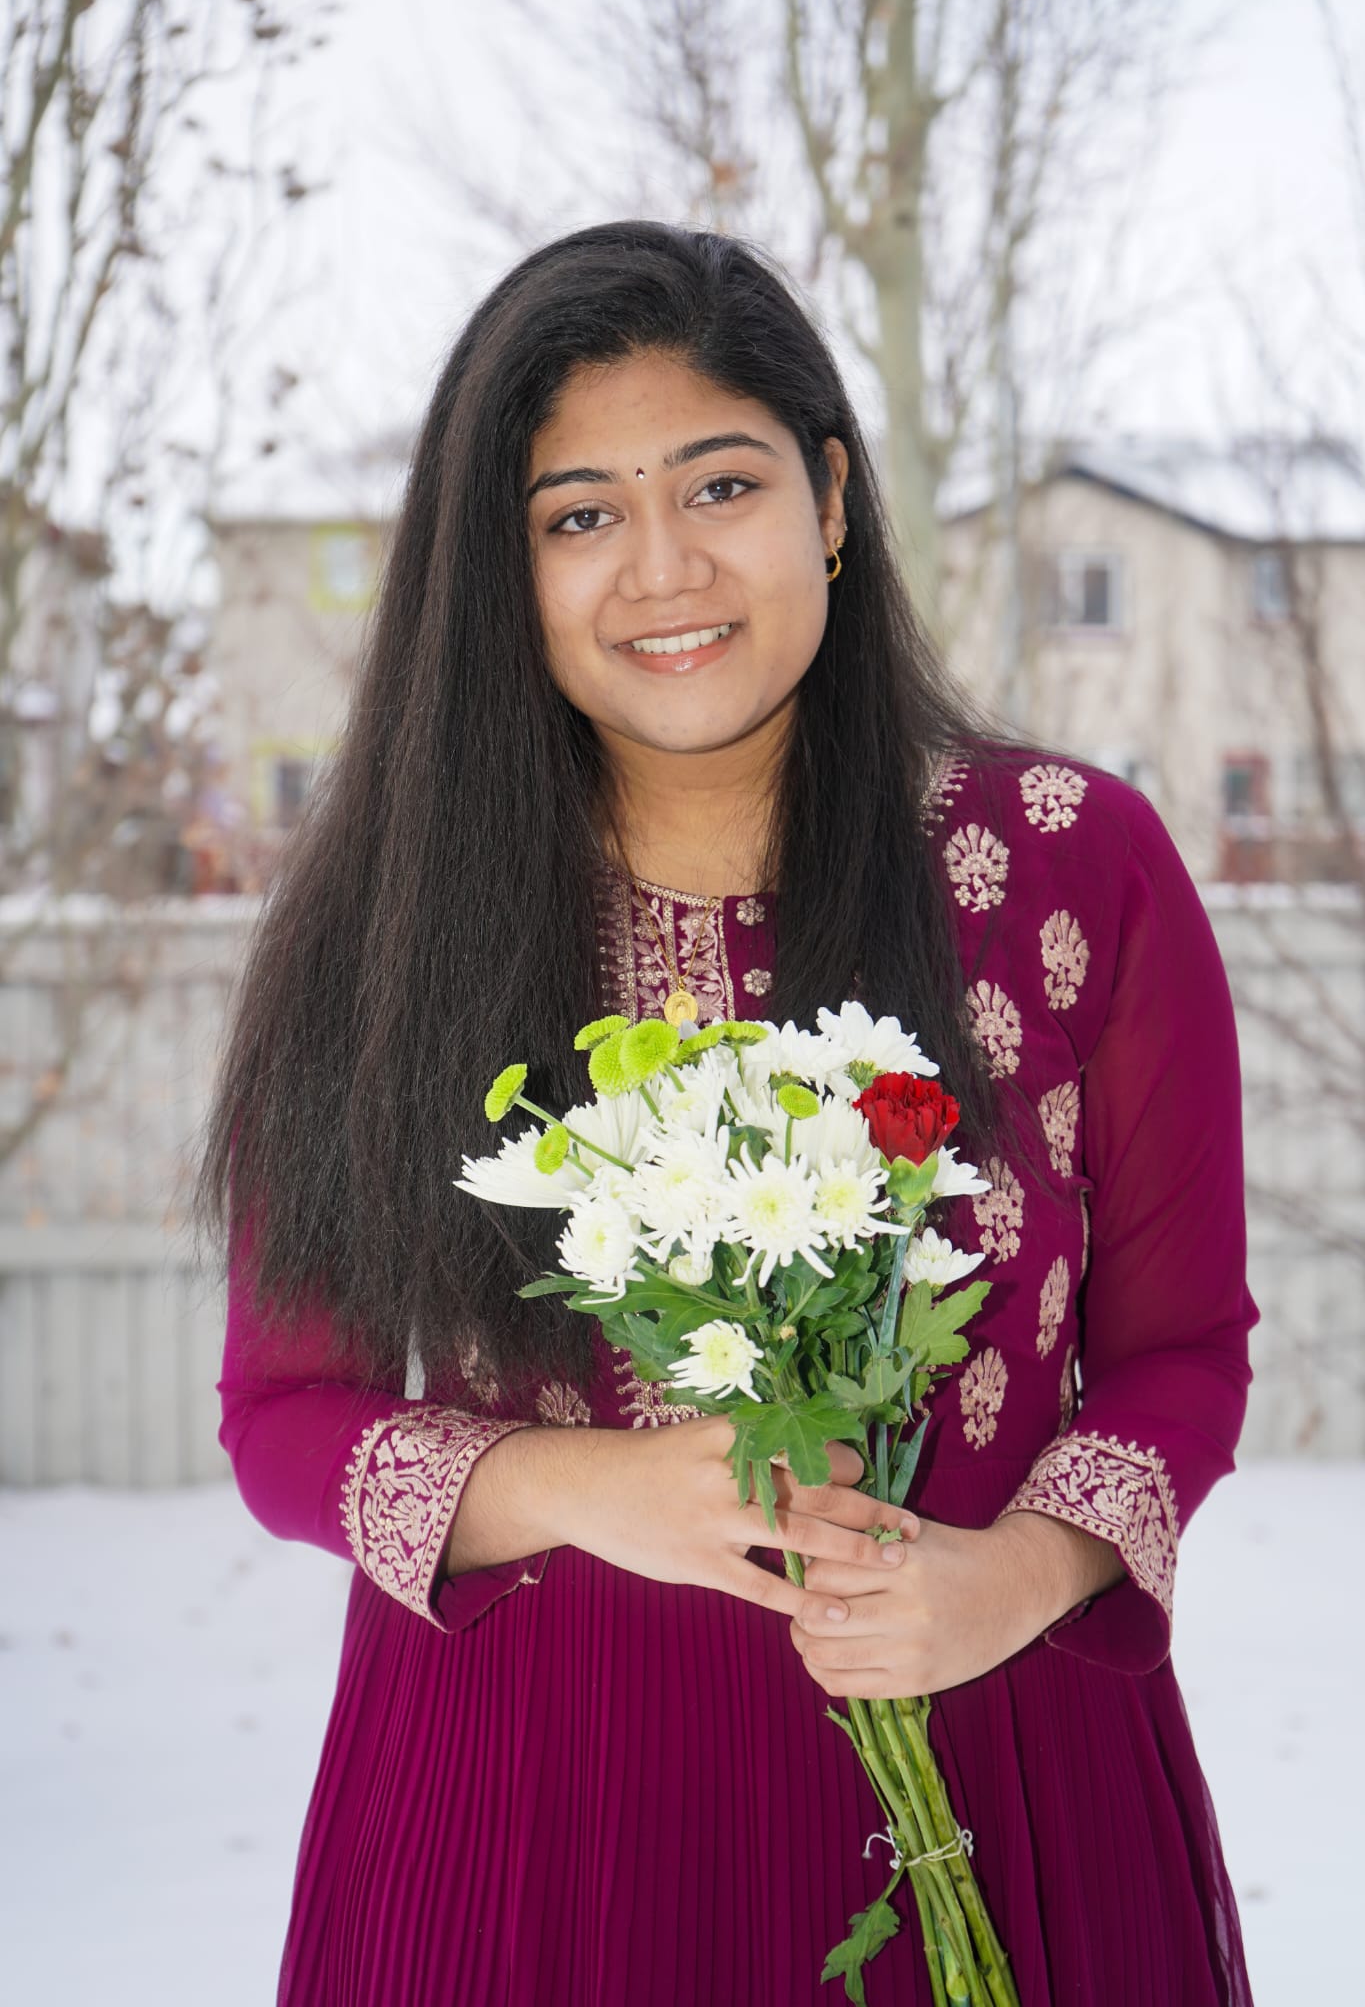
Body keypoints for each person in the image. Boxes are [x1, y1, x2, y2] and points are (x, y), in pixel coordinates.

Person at [196, 221, 1257, 2007]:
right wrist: (587, 1487)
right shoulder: (390, 919)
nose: (662, 568)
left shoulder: (1069, 865)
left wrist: (1016, 1577)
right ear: (501, 569)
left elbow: (1180, 1354)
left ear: (827, 498)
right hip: (532, 1833)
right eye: (577, 516)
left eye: (719, 485)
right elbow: (282, 1417)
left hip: (998, 1782)